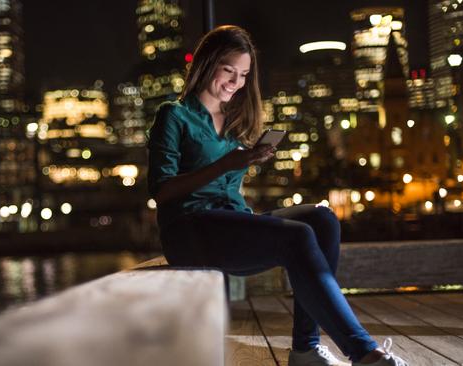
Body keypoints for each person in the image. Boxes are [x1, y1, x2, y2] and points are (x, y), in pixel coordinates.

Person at [146, 25, 408, 366]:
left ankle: (304, 350)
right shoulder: (174, 115)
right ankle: (364, 353)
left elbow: (229, 191)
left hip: (233, 223)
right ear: (206, 65)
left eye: (243, 75)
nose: (235, 82)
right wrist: (227, 163)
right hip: (190, 231)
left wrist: (247, 159)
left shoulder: (234, 122)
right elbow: (162, 190)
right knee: (298, 235)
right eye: (229, 70)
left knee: (323, 219)